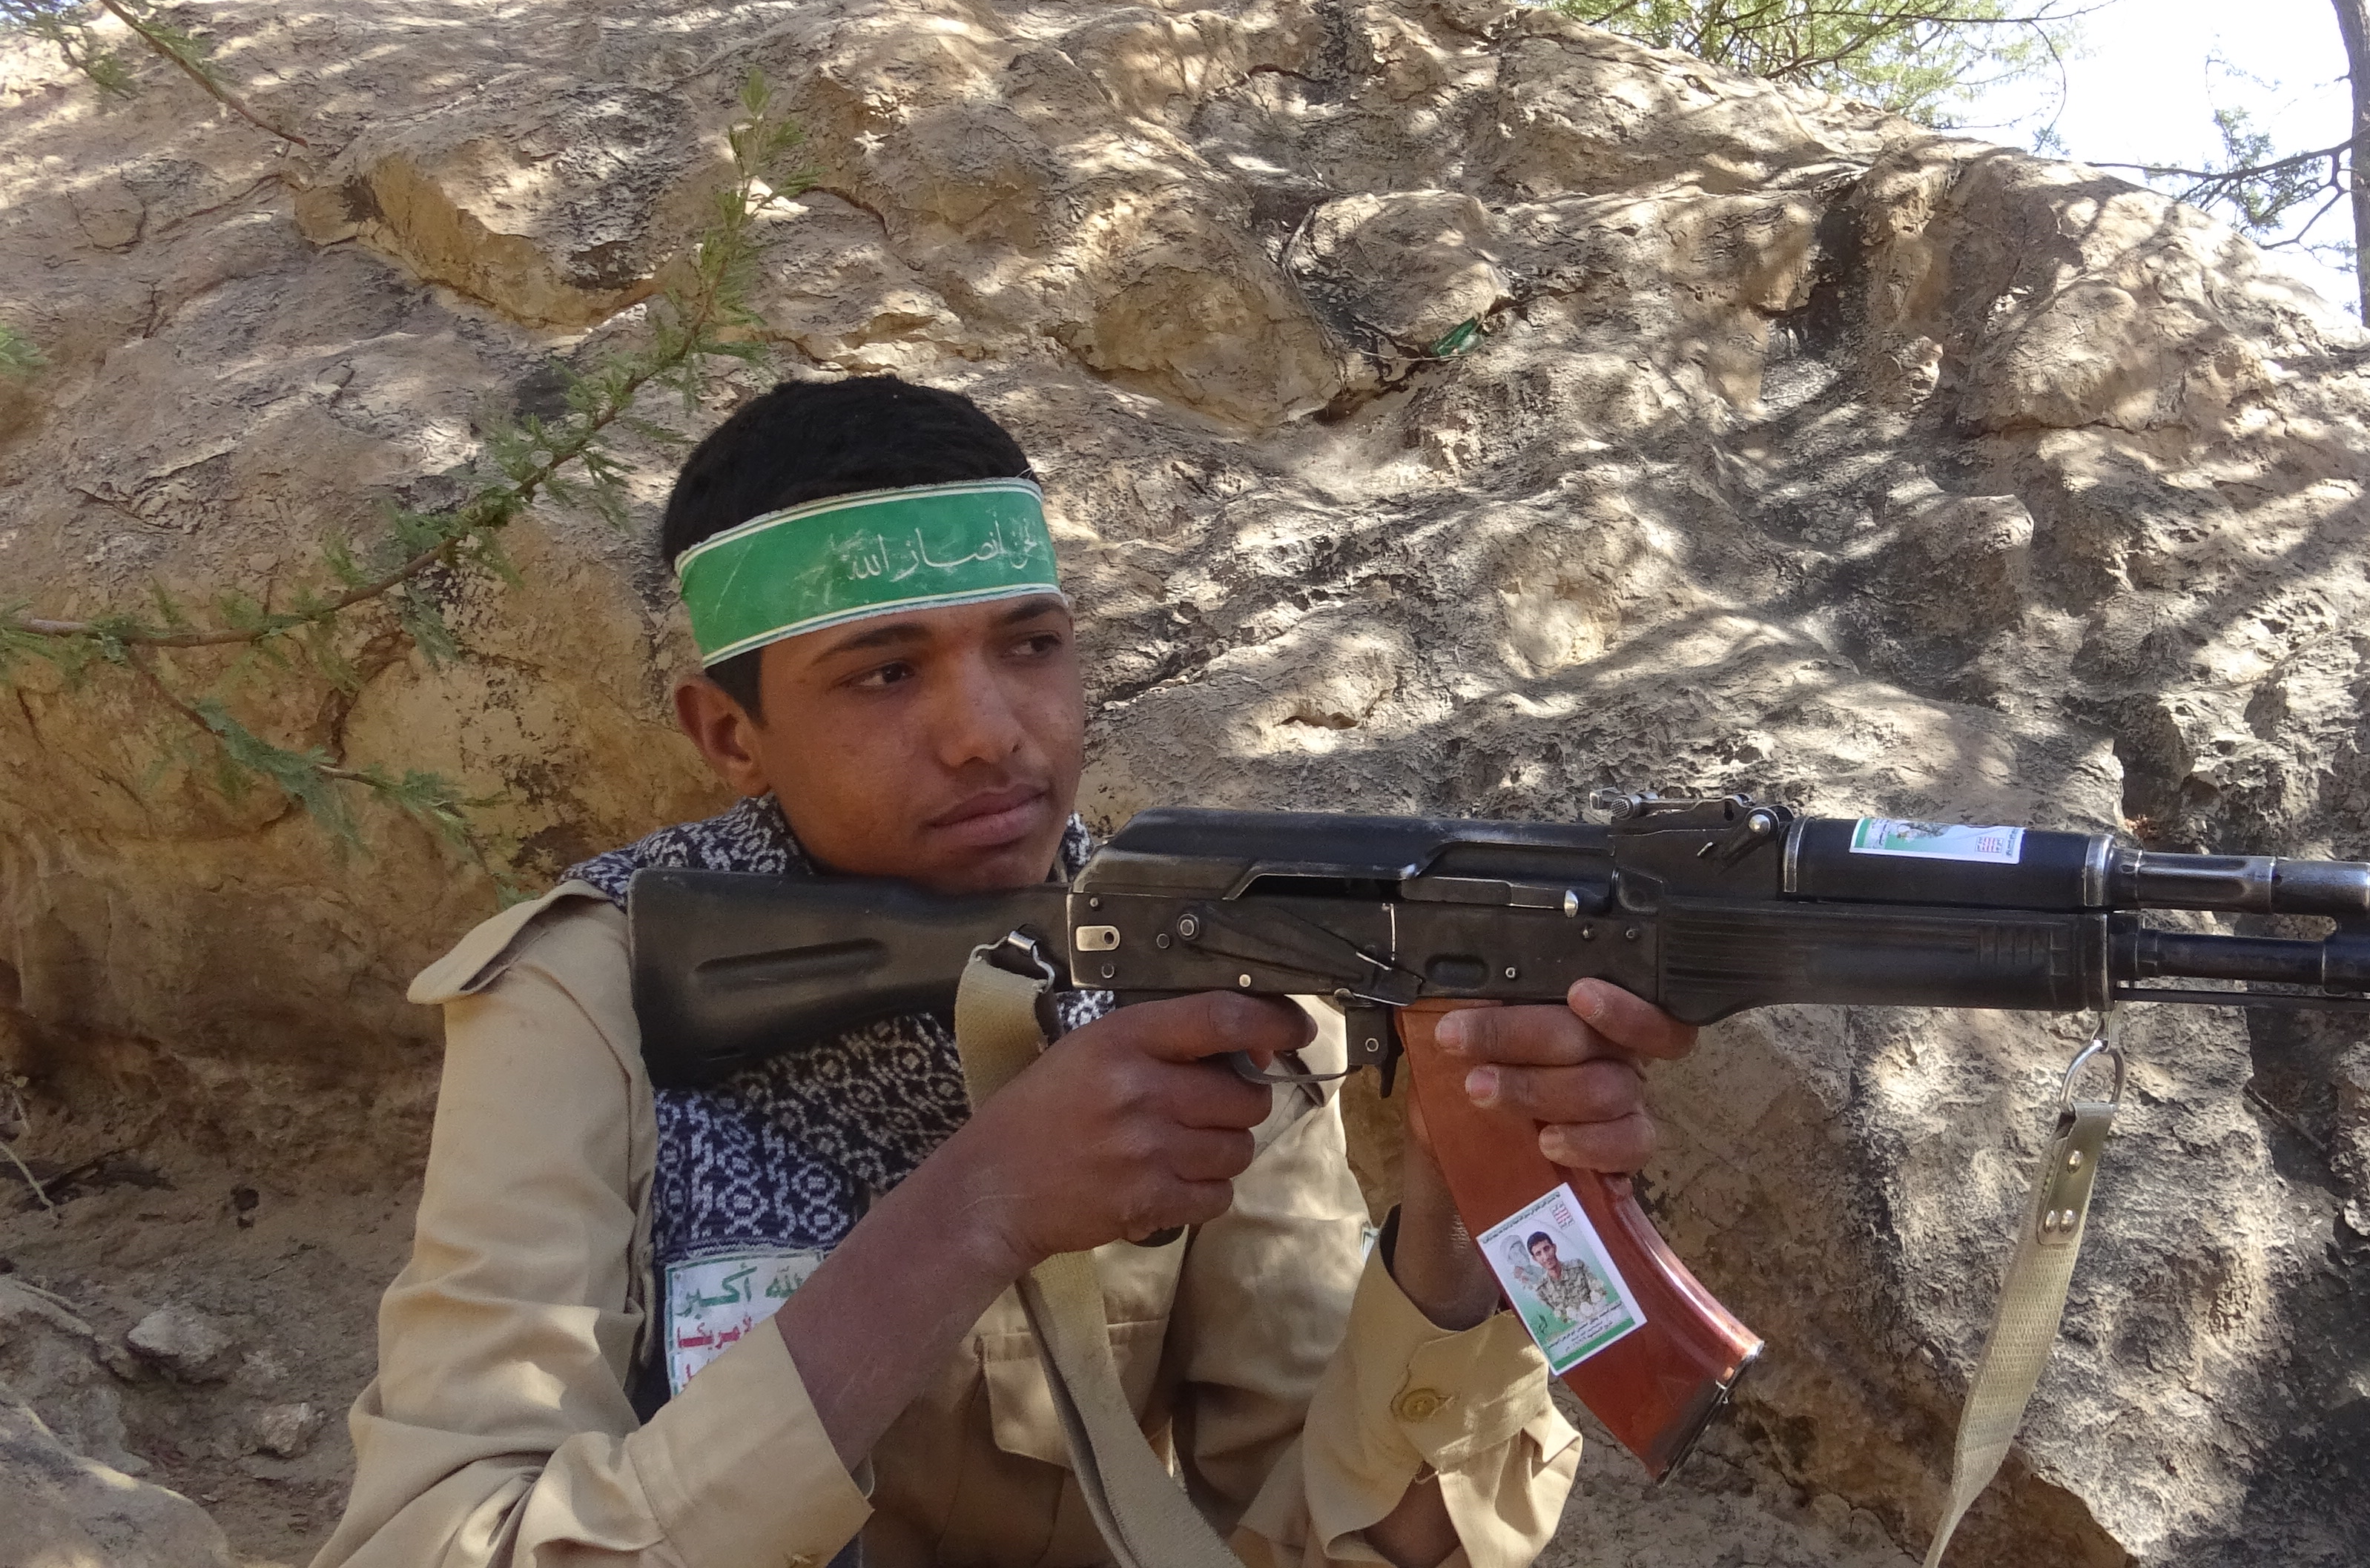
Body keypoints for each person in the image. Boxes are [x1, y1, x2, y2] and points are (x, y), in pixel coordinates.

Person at [314, 377, 1700, 1568]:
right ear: (729, 736)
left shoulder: (1191, 969)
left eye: (1030, 648)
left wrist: (1463, 1227)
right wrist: (973, 1212)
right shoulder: (590, 999)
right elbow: (445, 1538)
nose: (988, 733)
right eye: (884, 674)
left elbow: (1304, 1533)